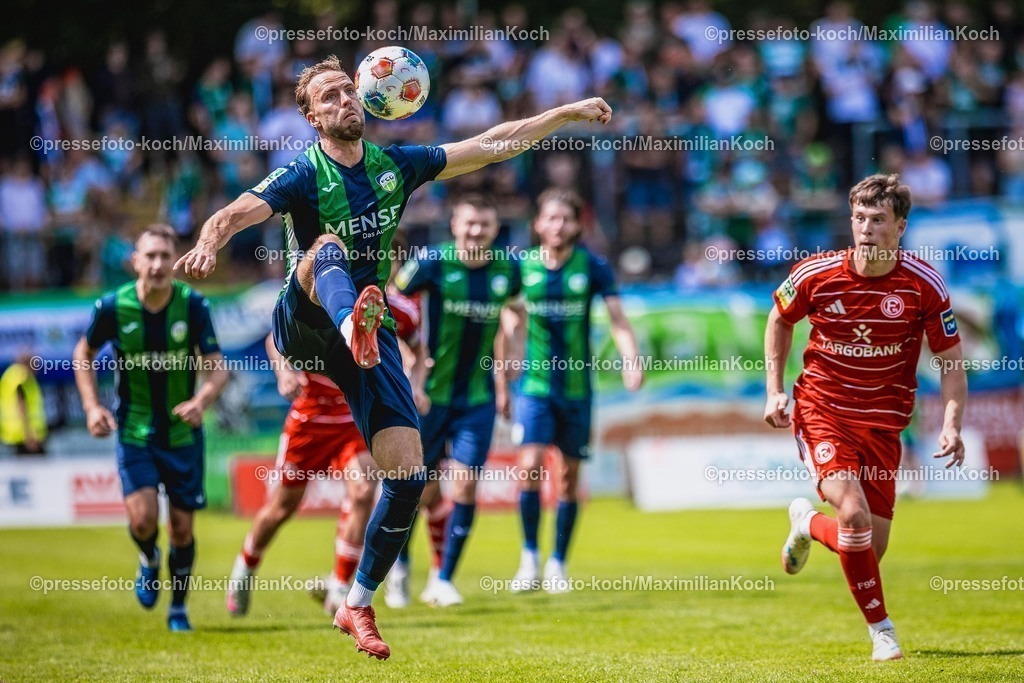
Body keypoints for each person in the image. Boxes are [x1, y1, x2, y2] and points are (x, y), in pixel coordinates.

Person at [174, 54, 613, 659]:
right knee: (325, 246)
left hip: (368, 335)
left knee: (407, 476)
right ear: (310, 117)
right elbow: (236, 212)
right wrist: (206, 241)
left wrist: (562, 113)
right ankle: (353, 316)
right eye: (328, 97)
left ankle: (356, 602)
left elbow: (490, 144)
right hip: (305, 322)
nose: (344, 101)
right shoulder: (302, 174)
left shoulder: (394, 166)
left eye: (348, 92)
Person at [765, 174, 967, 662]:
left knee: (867, 550)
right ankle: (883, 632)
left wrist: (952, 421)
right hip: (823, 411)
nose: (866, 229)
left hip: (883, 426)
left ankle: (808, 524)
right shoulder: (817, 274)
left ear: (900, 227)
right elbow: (779, 319)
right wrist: (773, 391)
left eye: (878, 220)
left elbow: (952, 360)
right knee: (852, 515)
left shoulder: (923, 285)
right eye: (858, 218)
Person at [228, 286, 422, 617]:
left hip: (353, 417)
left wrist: (412, 386)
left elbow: (417, 346)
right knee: (282, 506)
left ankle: (339, 587)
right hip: (311, 418)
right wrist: (284, 371)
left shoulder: (396, 306)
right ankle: (245, 568)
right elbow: (274, 338)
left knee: (363, 491)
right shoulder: (319, 288)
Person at [73, 224, 229, 632]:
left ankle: (178, 608)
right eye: (151, 256)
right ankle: (148, 558)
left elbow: (217, 368)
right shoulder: (112, 306)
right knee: (143, 521)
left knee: (181, 527)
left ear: (174, 261)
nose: (159, 264)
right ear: (135, 262)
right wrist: (91, 407)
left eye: (165, 255)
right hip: (134, 431)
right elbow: (83, 354)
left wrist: (201, 401)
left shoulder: (193, 305)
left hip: (181, 434)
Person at [505, 189, 643, 593]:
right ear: (538, 224)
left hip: (578, 388)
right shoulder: (521, 267)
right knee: (528, 466)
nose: (558, 225)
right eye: (551, 218)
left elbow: (618, 319)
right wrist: (507, 354)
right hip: (534, 386)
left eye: (566, 219)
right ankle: (529, 557)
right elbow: (509, 314)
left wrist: (630, 358)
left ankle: (558, 564)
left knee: (567, 477)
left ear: (578, 225)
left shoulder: (594, 267)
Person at [391, 193, 521, 607]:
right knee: (415, 489)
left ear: (495, 228)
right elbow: (387, 306)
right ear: (454, 225)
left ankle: (443, 578)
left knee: (464, 488)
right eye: (469, 223)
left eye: (484, 224)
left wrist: (510, 364)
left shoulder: (507, 269)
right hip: (428, 397)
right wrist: (409, 365)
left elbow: (516, 314)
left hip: (477, 400)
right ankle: (398, 570)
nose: (476, 231)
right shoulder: (430, 263)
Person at [0, 351, 48, 456]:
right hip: (25, 437)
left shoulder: (10, 375)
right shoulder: (22, 377)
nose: (37, 369)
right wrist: (29, 435)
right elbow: (22, 407)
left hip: (13, 435)